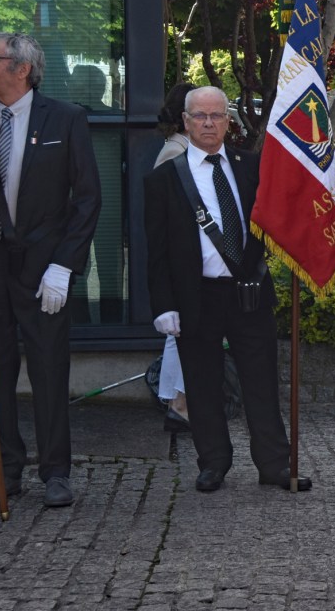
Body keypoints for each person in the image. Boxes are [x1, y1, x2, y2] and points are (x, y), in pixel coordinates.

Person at [0, 32, 101, 508]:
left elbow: (87, 199)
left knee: (49, 370)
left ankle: (55, 472)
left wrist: (64, 265)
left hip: (42, 270)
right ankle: (5, 468)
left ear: (22, 68)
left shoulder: (66, 118)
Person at [143, 85, 310, 493]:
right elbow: (156, 249)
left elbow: (280, 215)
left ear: (227, 121)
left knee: (261, 381)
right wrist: (164, 305)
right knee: (202, 384)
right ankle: (213, 463)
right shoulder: (164, 178)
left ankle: (274, 464)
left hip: (249, 291)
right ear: (186, 122)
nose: (208, 123)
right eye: (200, 116)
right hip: (196, 295)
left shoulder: (252, 166)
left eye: (216, 115)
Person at [152, 82, 195, 431]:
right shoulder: (174, 151)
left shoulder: (182, 147)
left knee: (181, 332)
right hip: (181, 254)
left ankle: (177, 402)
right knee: (181, 332)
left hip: (192, 254)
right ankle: (178, 404)